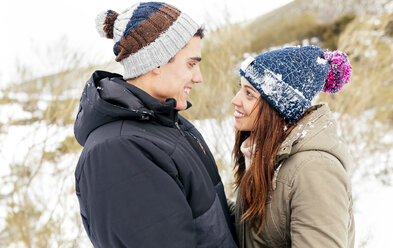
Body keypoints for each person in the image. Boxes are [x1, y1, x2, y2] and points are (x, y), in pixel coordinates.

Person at [73, 2, 237, 247]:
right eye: (191, 64)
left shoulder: (167, 123)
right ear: (156, 62)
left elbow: (209, 221)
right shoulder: (119, 151)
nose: (198, 77)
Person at [231, 46, 355, 247]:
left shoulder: (315, 170)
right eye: (240, 89)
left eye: (249, 94)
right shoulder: (265, 153)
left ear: (277, 106)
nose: (235, 100)